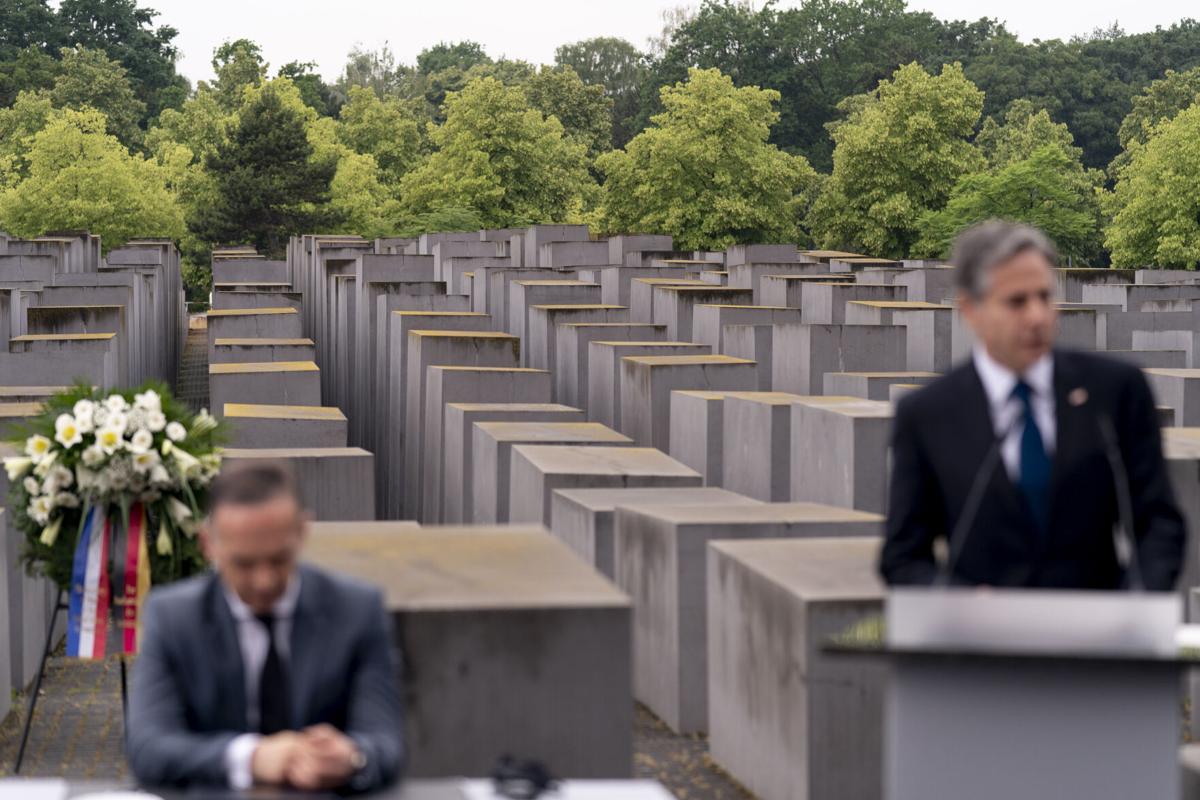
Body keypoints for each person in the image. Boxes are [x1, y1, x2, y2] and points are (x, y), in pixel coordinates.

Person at [880, 220, 1185, 590]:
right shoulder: (926, 414)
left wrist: (1133, 604)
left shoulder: (1117, 390)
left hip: (1101, 622)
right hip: (982, 625)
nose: (1038, 316)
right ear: (970, 309)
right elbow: (903, 558)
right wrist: (960, 604)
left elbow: (1160, 526)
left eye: (1044, 296)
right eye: (1017, 301)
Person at [127, 460, 405, 791]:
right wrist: (251, 757)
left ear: (302, 532)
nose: (264, 581)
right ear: (208, 545)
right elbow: (148, 747)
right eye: (244, 564)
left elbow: (386, 741)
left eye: (278, 559)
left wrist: (352, 758)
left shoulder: (357, 610)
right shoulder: (173, 617)